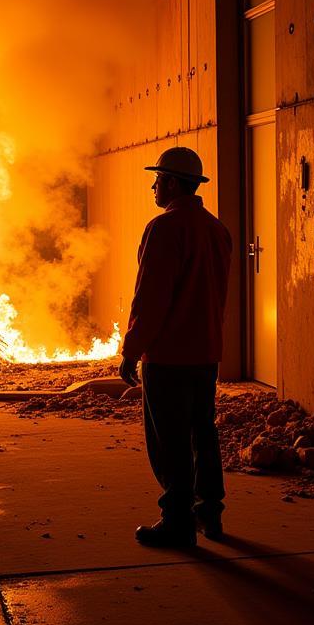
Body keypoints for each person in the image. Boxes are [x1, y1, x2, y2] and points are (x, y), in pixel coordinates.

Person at [118, 146, 232, 548]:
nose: (153, 186)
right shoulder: (216, 229)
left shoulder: (164, 228)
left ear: (170, 182)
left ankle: (177, 522)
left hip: (168, 355)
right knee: (203, 431)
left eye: (157, 179)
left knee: (169, 440)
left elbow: (151, 298)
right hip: (205, 353)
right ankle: (208, 513)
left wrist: (132, 349)